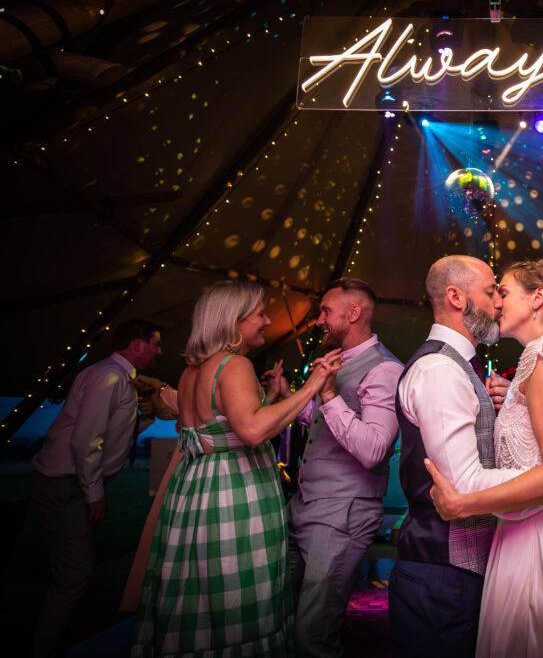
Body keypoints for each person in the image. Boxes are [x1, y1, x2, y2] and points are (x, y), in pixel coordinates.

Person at [131, 280, 340, 657]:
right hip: (233, 491)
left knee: (197, 589)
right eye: (259, 314)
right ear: (233, 320)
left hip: (193, 490)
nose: (265, 321)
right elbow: (253, 429)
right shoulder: (235, 364)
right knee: (235, 592)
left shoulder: (192, 370)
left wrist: (273, 397)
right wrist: (313, 384)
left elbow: (206, 425)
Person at [425, 259, 543, 658]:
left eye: (504, 292)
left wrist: (464, 502)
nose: (495, 302)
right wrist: (514, 401)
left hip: (538, 541)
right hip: (538, 531)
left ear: (538, 298)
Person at [388, 255, 524, 658]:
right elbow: (462, 486)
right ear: (456, 297)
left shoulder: (461, 367)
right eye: (489, 293)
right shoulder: (440, 371)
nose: (499, 302)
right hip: (441, 575)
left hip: (457, 570)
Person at [283, 277, 404, 658]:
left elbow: (374, 449)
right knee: (284, 618)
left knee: (313, 636)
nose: (318, 319)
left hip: (342, 513)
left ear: (353, 313)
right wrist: (288, 396)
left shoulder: (385, 369)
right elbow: (318, 420)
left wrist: (330, 394)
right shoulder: (336, 361)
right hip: (304, 505)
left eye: (324, 311)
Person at [30, 319, 163, 658]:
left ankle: (59, 634)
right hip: (68, 484)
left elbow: (116, 428)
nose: (159, 352)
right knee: (74, 575)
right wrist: (95, 493)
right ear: (136, 345)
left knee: (72, 568)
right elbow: (88, 439)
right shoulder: (110, 377)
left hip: (73, 484)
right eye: (155, 344)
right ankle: (44, 647)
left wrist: (145, 415)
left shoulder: (118, 379)